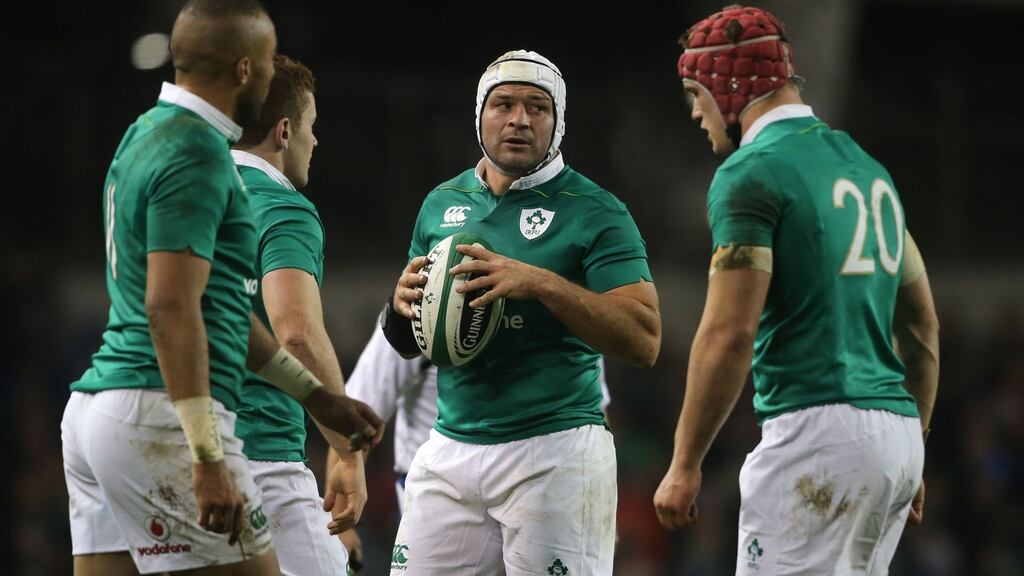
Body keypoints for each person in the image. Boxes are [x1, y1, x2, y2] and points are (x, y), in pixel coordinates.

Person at [60, 2, 381, 574]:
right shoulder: (199, 153)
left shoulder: (143, 134)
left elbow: (222, 309)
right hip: (159, 411)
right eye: (267, 59)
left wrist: (317, 398)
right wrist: (207, 455)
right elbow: (170, 307)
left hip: (95, 411)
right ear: (245, 70)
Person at [652, 6, 940, 575]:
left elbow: (729, 334)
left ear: (730, 87)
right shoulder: (867, 168)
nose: (695, 112)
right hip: (898, 436)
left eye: (695, 93)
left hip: (817, 434)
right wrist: (914, 444)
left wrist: (684, 463)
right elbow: (922, 328)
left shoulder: (751, 174)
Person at [380, 49, 661, 575]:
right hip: (450, 446)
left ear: (558, 123)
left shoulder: (596, 210)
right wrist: (398, 311)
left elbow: (644, 339)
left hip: (554, 451)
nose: (519, 120)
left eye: (537, 107)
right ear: (480, 115)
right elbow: (411, 341)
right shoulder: (440, 203)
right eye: (503, 104)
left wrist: (540, 283)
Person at [231, 54, 368, 576]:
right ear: (284, 131)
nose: (316, 141)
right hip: (261, 454)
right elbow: (297, 336)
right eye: (311, 126)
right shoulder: (282, 207)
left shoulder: (186, 194)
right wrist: (347, 451)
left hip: (172, 445)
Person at [338, 324, 613, 570]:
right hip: (437, 492)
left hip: (537, 479)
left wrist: (598, 507)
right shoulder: (428, 310)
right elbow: (357, 411)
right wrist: (343, 523)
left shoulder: (557, 314)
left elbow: (594, 408)